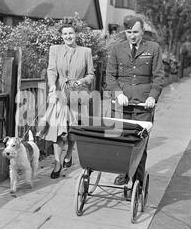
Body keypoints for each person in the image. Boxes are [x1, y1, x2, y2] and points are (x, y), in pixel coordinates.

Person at [106, 15, 165, 186]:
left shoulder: (153, 48)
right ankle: (124, 174)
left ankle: (138, 181)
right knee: (122, 141)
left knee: (140, 144)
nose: (132, 35)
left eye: (136, 32)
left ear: (143, 31)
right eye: (129, 32)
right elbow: (110, 75)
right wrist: (117, 93)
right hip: (121, 105)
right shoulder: (117, 49)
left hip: (143, 106)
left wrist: (152, 97)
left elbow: (159, 77)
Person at [37, 21, 94, 179]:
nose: (68, 36)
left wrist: (81, 82)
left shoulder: (85, 52)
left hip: (78, 93)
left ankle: (69, 153)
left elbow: (91, 75)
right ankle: (57, 163)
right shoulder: (55, 49)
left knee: (73, 129)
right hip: (60, 93)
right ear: (61, 36)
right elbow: (52, 70)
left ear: (76, 34)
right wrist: (52, 86)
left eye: (71, 33)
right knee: (57, 129)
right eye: (65, 34)